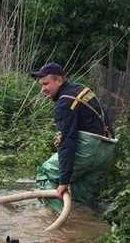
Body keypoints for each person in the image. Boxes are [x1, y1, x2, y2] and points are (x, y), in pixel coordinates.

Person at [30, 62, 116, 209]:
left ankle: (56, 219)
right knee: (82, 199)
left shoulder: (64, 103)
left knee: (46, 173)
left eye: (46, 84)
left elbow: (66, 142)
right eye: (41, 85)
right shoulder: (80, 89)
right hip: (107, 149)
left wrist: (63, 181)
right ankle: (85, 225)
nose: (43, 89)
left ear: (58, 80)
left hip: (88, 149)